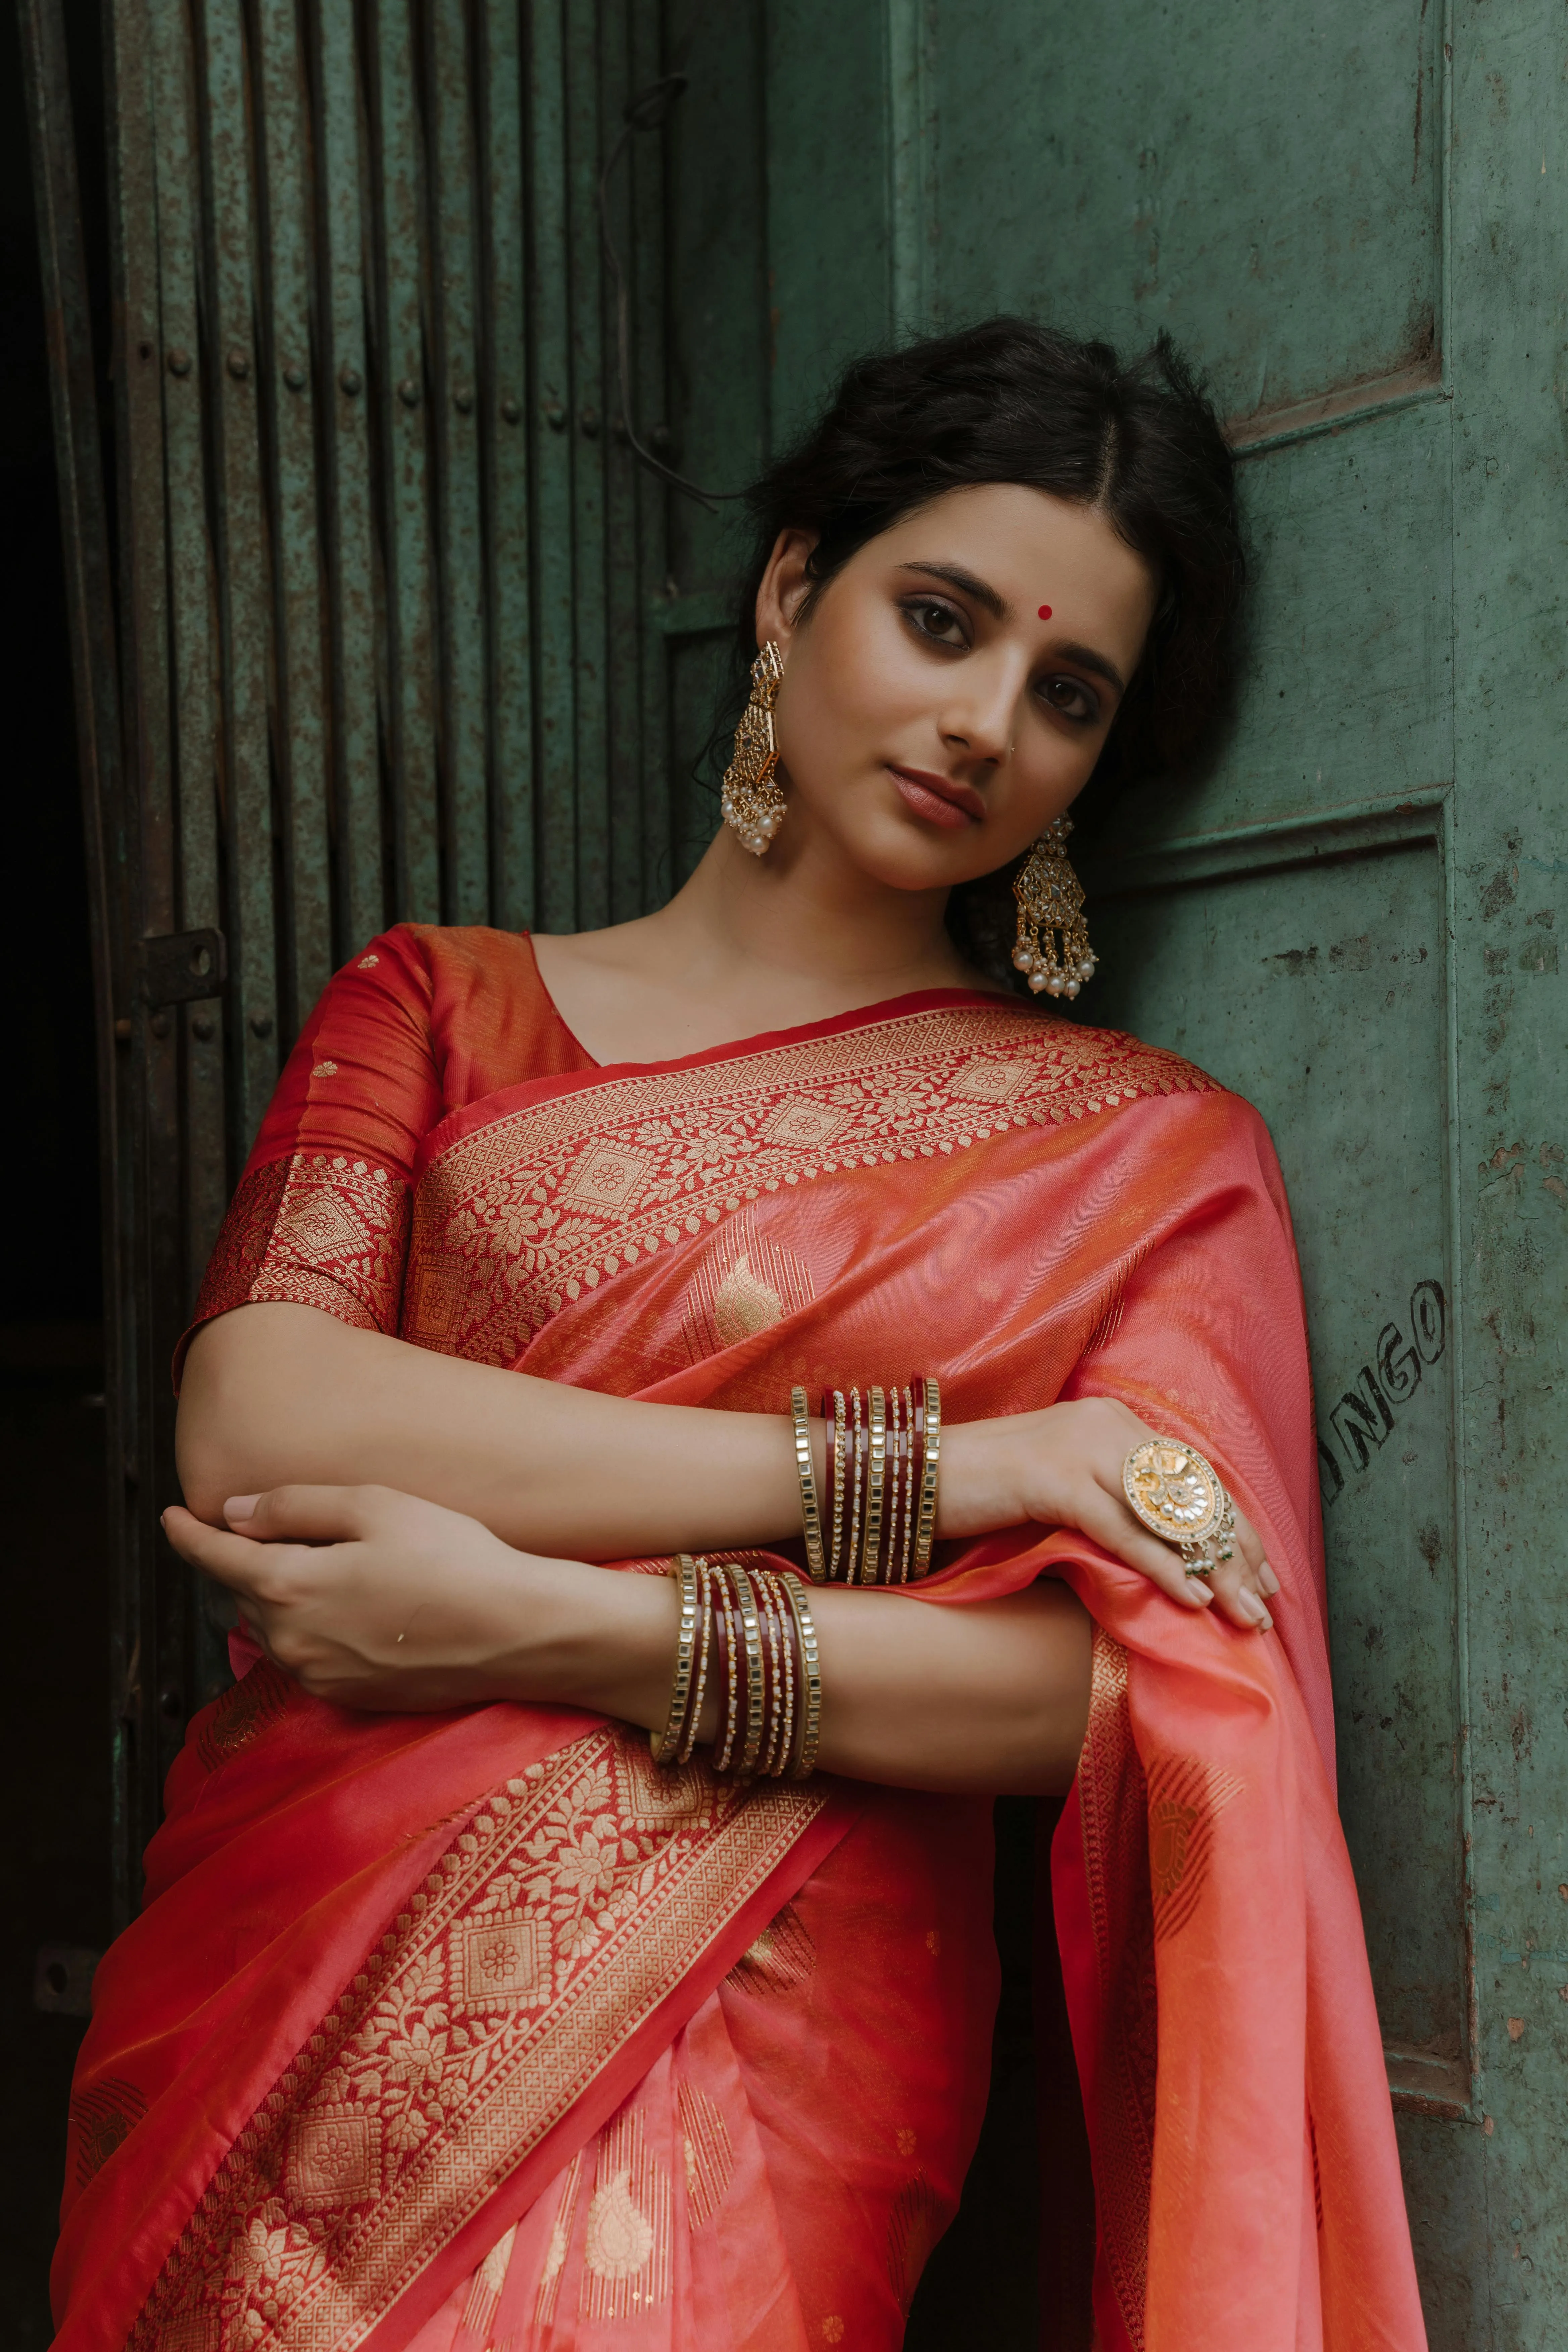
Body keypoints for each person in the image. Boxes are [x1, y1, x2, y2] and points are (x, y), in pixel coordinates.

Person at [52, 320, 1427, 2352]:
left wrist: (561, 1630)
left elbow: (1133, 1698)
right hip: (301, 1988)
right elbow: (259, 1413)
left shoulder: (1143, 1160)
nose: (984, 723)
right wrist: (944, 1475)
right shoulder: (436, 1006)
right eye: (940, 619)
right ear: (795, 589)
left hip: (779, 2019)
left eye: (1067, 694)